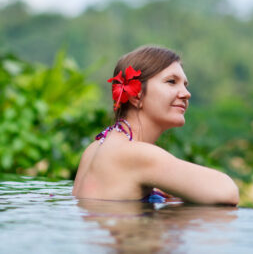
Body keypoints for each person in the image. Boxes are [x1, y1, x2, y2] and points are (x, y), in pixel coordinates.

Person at [72, 46, 239, 205]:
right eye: (172, 81)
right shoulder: (136, 154)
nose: (186, 94)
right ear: (136, 96)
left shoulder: (96, 148)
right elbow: (227, 191)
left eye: (185, 85)